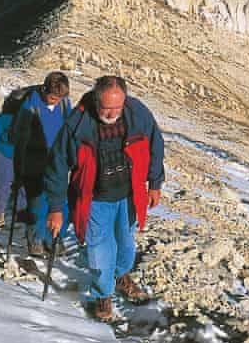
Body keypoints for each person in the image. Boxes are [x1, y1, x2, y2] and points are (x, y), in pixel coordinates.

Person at [44, 74, 165, 321]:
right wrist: (56, 208)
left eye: (117, 107)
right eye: (106, 108)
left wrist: (155, 183)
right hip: (95, 199)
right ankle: (103, 294)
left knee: (127, 244)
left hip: (130, 196)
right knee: (100, 250)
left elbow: (155, 144)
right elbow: (57, 166)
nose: (111, 114)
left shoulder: (137, 114)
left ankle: (120, 276)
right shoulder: (78, 124)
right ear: (96, 101)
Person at [10, 70, 73, 255]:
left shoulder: (64, 105)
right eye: (53, 96)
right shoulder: (30, 105)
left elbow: (69, 129)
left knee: (59, 201)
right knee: (37, 202)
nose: (56, 100)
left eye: (60, 97)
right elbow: (19, 136)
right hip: (34, 161)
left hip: (57, 160)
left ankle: (54, 237)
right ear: (45, 90)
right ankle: (35, 238)